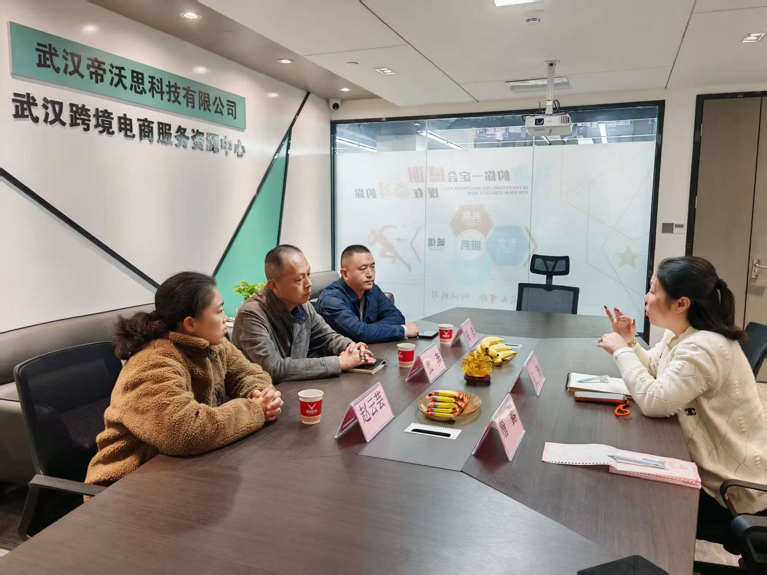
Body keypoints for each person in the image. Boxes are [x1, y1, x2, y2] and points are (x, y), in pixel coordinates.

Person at [597, 256, 767, 549]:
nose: (646, 297)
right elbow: (655, 369)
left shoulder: (703, 347)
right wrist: (631, 342)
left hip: (732, 492)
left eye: (653, 290)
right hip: (714, 470)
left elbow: (655, 400)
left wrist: (621, 352)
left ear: (681, 304)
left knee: (628, 495)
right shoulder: (683, 335)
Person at [86, 272, 283, 489]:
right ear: (190, 324)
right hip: (123, 485)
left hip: (180, 470)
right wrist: (255, 409)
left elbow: (250, 374)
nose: (225, 317)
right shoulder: (152, 363)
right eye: (219, 311)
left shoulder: (214, 344)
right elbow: (184, 431)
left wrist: (261, 395)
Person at [232, 245, 375, 383]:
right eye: (299, 279)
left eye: (308, 274)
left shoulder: (303, 306)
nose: (309, 283)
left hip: (296, 386)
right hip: (263, 395)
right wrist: (339, 362)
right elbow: (274, 368)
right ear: (274, 285)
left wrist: (351, 347)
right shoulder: (251, 314)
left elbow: (328, 338)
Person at [315, 245, 419, 344]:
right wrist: (403, 330)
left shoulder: (372, 289)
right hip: (337, 355)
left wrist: (370, 331)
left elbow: (397, 317)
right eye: (363, 268)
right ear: (345, 274)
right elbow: (361, 334)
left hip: (368, 350)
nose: (370, 274)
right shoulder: (330, 300)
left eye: (372, 267)